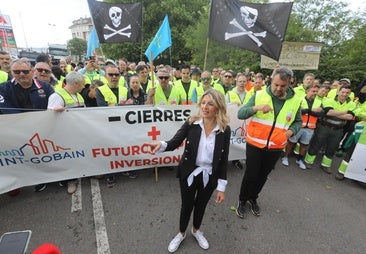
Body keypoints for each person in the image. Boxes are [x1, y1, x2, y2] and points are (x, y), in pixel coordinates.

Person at [144, 89, 231, 253]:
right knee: (187, 205)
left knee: (201, 206)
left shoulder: (224, 130)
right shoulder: (192, 123)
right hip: (188, 173)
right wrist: (161, 145)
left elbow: (223, 159)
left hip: (209, 176)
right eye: (203, 103)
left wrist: (221, 187)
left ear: (218, 107)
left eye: (210, 104)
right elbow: (175, 141)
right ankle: (181, 233)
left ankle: (196, 230)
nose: (205, 107)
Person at [236, 66, 302, 218]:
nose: (278, 89)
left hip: (276, 147)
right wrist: (256, 107)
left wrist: (290, 132)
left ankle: (253, 198)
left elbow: (298, 122)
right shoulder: (259, 95)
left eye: (283, 86)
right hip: (254, 144)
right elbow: (241, 114)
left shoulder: (296, 100)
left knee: (262, 176)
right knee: (251, 174)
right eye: (276, 85)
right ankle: (242, 200)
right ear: (271, 80)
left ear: (290, 83)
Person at [0, 59, 54, 194]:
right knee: (20, 158)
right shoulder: (3, 88)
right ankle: (16, 182)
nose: (21, 74)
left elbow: (53, 104)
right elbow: (5, 108)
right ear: (11, 73)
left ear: (32, 71)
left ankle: (44, 179)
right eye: (16, 72)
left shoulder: (45, 87)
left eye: (25, 71)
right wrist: (26, 122)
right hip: (15, 132)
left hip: (42, 130)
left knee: (43, 155)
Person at [47, 71, 86, 194]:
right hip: (65, 135)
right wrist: (54, 111)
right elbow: (48, 117)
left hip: (78, 132)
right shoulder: (57, 96)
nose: (84, 87)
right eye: (82, 84)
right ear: (75, 83)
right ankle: (71, 180)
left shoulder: (78, 95)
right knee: (69, 157)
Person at [304, 84, 356, 174]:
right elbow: (329, 112)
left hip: (338, 130)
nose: (344, 94)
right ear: (338, 91)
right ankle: (308, 161)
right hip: (324, 127)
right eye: (343, 92)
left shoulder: (352, 104)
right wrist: (344, 112)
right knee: (316, 144)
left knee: (332, 148)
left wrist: (336, 113)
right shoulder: (329, 100)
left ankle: (325, 165)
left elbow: (350, 117)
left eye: (347, 92)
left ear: (350, 93)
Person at [281, 84, 323, 169]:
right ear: (307, 91)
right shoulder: (300, 99)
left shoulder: (319, 102)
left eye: (316, 91)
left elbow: (321, 114)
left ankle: (299, 160)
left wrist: (308, 111)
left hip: (310, 128)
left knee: (304, 144)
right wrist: (311, 111)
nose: (315, 93)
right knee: (291, 142)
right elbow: (298, 111)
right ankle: (285, 157)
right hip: (299, 126)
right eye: (313, 91)